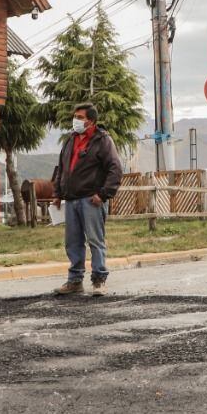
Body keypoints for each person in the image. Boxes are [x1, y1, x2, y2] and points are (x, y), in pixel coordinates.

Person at [52, 102, 123, 297]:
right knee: (72, 242)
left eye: (80, 117)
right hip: (71, 199)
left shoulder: (103, 141)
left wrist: (103, 194)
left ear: (91, 121)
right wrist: (57, 194)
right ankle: (75, 281)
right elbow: (61, 168)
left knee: (95, 240)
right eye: (75, 117)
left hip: (91, 200)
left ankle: (99, 280)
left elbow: (115, 169)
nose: (76, 120)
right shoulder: (71, 140)